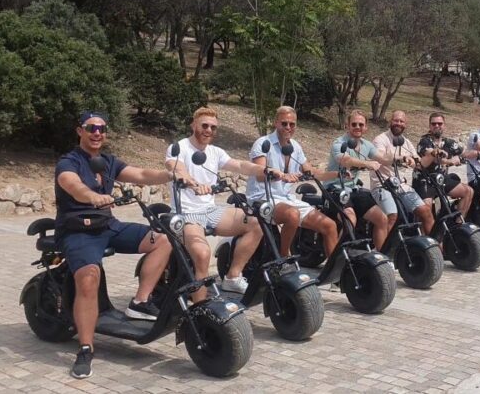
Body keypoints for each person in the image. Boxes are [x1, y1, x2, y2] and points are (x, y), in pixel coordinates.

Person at [55, 111, 173, 379]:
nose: (97, 133)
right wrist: (92, 196)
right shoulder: (69, 162)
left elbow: (141, 174)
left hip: (109, 226)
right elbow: (71, 185)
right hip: (78, 231)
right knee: (89, 277)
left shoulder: (107, 161)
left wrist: (170, 175)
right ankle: (85, 348)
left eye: (102, 128)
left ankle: (140, 302)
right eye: (91, 128)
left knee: (164, 239)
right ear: (80, 131)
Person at [164, 106, 267, 301]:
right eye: (204, 125)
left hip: (211, 210)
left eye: (213, 127)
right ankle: (200, 306)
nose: (209, 130)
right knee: (203, 253)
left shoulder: (215, 152)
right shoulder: (179, 147)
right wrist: (192, 183)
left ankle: (232, 276)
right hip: (187, 213)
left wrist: (263, 170)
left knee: (257, 223)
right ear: (194, 125)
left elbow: (238, 164)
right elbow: (176, 167)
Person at [246, 106, 341, 261]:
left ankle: (338, 273)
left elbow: (312, 172)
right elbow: (259, 174)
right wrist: (281, 176)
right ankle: (283, 259)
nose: (288, 127)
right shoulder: (263, 143)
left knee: (329, 226)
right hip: (262, 198)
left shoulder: (295, 146)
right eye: (284, 123)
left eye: (292, 124)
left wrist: (338, 174)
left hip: (286, 199)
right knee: (292, 215)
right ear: (276, 123)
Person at [325, 110, 393, 250]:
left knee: (382, 219)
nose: (357, 127)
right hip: (335, 189)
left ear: (366, 127)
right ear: (347, 126)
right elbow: (345, 160)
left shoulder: (366, 145)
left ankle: (382, 259)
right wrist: (367, 163)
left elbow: (382, 158)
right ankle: (337, 259)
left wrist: (401, 158)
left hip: (353, 189)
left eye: (361, 124)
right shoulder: (339, 143)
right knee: (350, 219)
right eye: (354, 124)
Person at [371, 110, 435, 235]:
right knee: (392, 216)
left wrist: (433, 154)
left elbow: (419, 164)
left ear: (405, 124)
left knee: (426, 212)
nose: (398, 123)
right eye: (396, 120)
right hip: (382, 185)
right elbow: (381, 157)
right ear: (391, 121)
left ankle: (435, 248)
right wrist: (400, 158)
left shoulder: (405, 142)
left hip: (401, 186)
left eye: (401, 121)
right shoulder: (381, 139)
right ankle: (384, 251)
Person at [415, 113, 474, 217]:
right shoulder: (424, 141)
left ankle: (458, 225)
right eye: (434, 124)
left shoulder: (449, 143)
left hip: (441, 179)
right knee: (426, 206)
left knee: (468, 191)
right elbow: (434, 157)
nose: (437, 126)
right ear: (429, 126)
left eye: (440, 123)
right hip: (425, 181)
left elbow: (465, 153)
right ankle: (426, 232)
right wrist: (450, 161)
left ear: (444, 125)